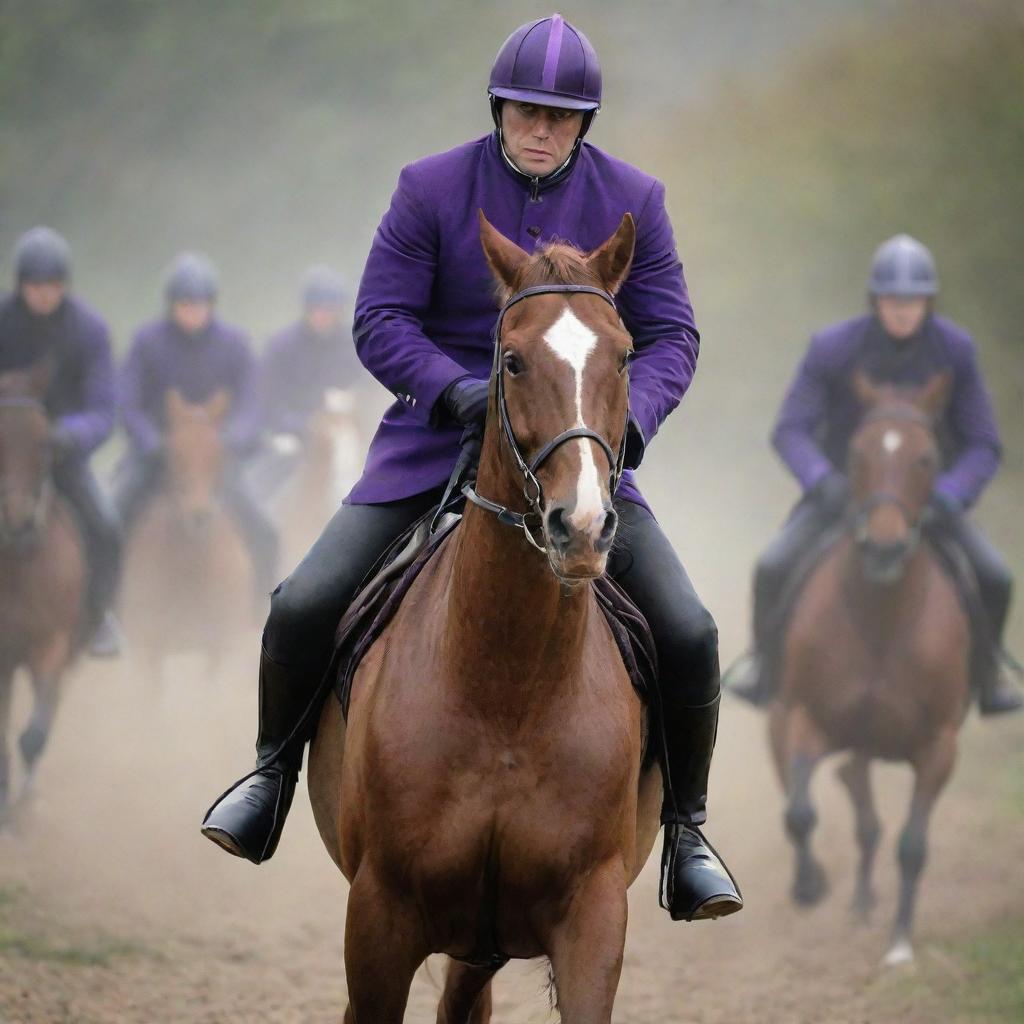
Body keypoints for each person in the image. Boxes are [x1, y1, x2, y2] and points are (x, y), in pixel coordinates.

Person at [203, 15, 742, 923]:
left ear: (583, 126)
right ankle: (270, 779)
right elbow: (379, 318)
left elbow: (673, 334)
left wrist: (624, 425)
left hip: (576, 455)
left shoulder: (636, 201)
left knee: (688, 630)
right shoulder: (430, 188)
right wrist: (453, 392)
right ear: (500, 109)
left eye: (561, 118)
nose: (542, 129)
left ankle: (686, 834)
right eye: (528, 111)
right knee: (301, 602)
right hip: (433, 445)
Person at [727, 234, 1021, 715]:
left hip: (929, 502)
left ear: (929, 301)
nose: (903, 310)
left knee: (997, 576)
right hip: (841, 496)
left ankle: (988, 680)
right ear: (875, 300)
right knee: (772, 566)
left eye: (914, 300)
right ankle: (765, 666)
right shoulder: (832, 348)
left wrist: (952, 493)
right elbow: (791, 429)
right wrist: (823, 482)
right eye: (893, 299)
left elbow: (983, 443)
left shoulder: (955, 350)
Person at [114, 252, 279, 598]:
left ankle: (261, 607)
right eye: (185, 304)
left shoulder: (234, 345)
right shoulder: (147, 343)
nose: (192, 311)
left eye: (200, 304)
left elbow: (254, 401)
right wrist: (151, 442)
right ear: (171, 305)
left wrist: (233, 438)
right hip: (156, 458)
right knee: (112, 520)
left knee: (263, 530)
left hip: (216, 460)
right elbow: (128, 403)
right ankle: (107, 609)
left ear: (212, 305)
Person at [0, 227, 121, 657]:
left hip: (63, 455)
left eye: (53, 286)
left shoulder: (89, 330)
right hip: (5, 455)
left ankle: (100, 615)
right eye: (36, 286)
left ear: (64, 286)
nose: (44, 294)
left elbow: (104, 408)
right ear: (21, 285)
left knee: (106, 525)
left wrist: (69, 435)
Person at [250, 266, 365, 495]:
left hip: (343, 432)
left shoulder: (354, 346)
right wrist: (299, 425)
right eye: (317, 308)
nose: (323, 315)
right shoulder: (281, 346)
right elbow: (267, 400)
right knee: (271, 473)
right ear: (306, 309)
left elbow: (366, 390)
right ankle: (262, 524)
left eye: (329, 309)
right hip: (293, 433)